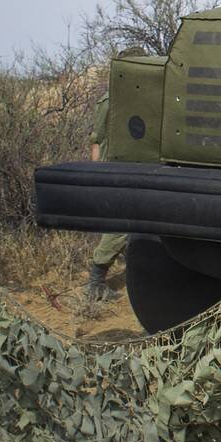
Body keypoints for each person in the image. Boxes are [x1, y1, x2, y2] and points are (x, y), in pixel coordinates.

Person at [85, 90, 126, 301]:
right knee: (122, 226)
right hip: (116, 169)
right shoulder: (111, 99)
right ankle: (96, 283)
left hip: (129, 168)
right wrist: (97, 174)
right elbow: (97, 139)